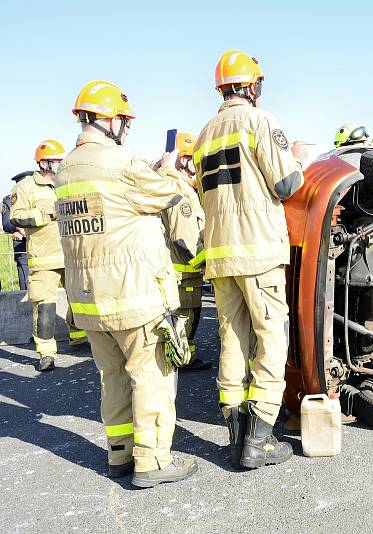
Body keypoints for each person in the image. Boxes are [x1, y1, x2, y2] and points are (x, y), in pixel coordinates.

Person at [55, 80, 197, 487]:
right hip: (134, 296)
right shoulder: (120, 161)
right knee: (151, 375)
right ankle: (152, 462)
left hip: (89, 301)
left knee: (112, 377)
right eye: (124, 122)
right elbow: (167, 194)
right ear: (110, 120)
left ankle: (119, 454)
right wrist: (169, 170)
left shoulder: (65, 169)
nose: (126, 131)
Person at [194, 49, 303, 469]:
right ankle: (259, 442)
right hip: (258, 251)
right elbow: (288, 183)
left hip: (220, 255)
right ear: (252, 86)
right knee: (271, 340)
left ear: (222, 88)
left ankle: (236, 436)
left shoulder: (204, 132)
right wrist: (297, 158)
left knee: (233, 341)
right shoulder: (261, 120)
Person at [9, 141, 87, 371]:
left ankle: (79, 337)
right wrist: (48, 213)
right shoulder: (25, 187)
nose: (62, 164)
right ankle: (46, 352)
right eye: (58, 160)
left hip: (73, 255)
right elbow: (16, 218)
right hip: (45, 259)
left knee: (80, 301)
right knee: (45, 307)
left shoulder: (69, 183)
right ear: (44, 163)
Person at [157, 132, 210, 371]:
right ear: (182, 160)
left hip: (176, 270)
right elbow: (184, 239)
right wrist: (205, 264)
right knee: (187, 316)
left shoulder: (166, 184)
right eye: (193, 158)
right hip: (184, 271)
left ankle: (184, 354)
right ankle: (184, 358)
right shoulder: (180, 190)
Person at [3, 172, 31, 290]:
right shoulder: (10, 200)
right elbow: (6, 224)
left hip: (41, 247)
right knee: (25, 287)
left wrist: (24, 231)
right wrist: (18, 228)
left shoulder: (37, 198)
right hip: (22, 250)